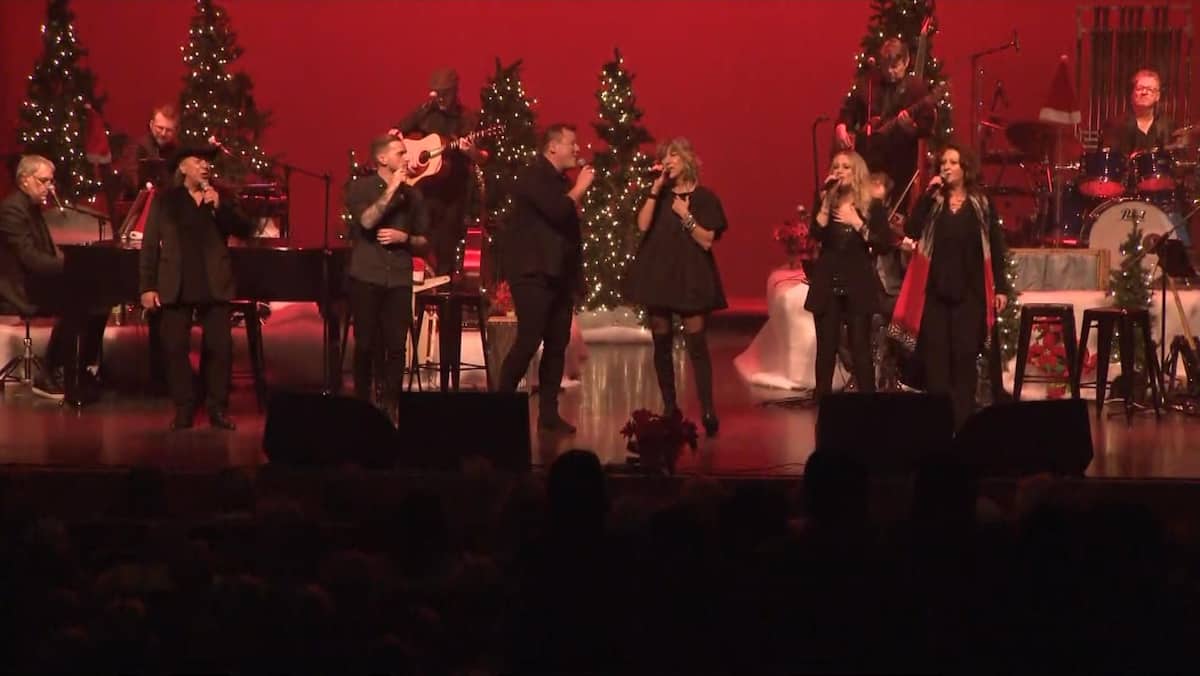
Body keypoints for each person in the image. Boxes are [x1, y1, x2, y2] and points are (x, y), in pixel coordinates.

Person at [890, 143, 1010, 429]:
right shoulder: (933, 201)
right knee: (937, 364)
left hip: (970, 294)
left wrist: (1002, 287)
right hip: (935, 294)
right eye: (942, 162)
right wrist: (927, 197)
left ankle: (964, 425)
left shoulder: (981, 203)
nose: (945, 167)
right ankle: (939, 426)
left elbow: (996, 244)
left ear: (965, 168)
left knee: (965, 359)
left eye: (952, 162)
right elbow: (911, 230)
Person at [139, 144, 253, 430]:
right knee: (174, 346)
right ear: (182, 167)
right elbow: (150, 245)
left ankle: (216, 408)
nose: (205, 166)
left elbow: (245, 229)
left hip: (213, 282)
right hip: (176, 283)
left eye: (208, 162)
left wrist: (219, 207)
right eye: (198, 161)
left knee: (219, 347)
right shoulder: (167, 200)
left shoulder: (221, 198)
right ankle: (184, 406)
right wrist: (147, 286)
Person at [624, 138, 727, 437]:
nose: (668, 161)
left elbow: (707, 240)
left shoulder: (706, 198)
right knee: (662, 344)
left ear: (688, 160)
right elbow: (642, 226)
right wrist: (655, 191)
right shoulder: (660, 195)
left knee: (697, 346)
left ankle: (708, 409)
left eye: (674, 156)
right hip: (658, 276)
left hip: (691, 277)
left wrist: (686, 216)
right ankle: (670, 406)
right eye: (664, 156)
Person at [497, 123, 594, 434]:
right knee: (529, 340)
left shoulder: (557, 180)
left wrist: (576, 278)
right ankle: (499, 406)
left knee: (557, 344)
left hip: (558, 274)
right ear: (553, 147)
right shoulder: (533, 176)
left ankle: (548, 414)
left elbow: (565, 229)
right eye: (572, 143)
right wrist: (580, 188)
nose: (577, 149)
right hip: (533, 272)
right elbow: (556, 211)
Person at [0, 155, 107, 400]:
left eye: (51, 181)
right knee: (78, 299)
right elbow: (30, 259)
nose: (49, 187)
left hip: (35, 280)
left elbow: (44, 255)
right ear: (25, 180)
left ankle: (79, 367)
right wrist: (69, 266)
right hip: (19, 287)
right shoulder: (12, 210)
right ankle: (52, 371)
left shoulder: (30, 207)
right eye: (43, 181)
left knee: (98, 296)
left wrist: (70, 264)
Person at [343, 134, 430, 406]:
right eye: (400, 153)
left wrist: (404, 238)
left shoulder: (414, 195)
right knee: (366, 344)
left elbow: (425, 241)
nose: (407, 158)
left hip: (399, 279)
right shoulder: (360, 188)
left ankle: (392, 405)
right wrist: (391, 189)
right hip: (367, 275)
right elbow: (367, 222)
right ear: (382, 159)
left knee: (396, 346)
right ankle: (361, 403)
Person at [806, 150, 892, 401]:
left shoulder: (871, 204)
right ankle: (822, 405)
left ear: (856, 173)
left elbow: (884, 243)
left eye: (845, 167)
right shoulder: (825, 199)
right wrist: (824, 203)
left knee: (860, 347)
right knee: (826, 348)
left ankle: (867, 405)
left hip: (856, 277)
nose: (839, 171)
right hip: (828, 276)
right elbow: (817, 235)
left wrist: (857, 222)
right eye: (836, 166)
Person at [393, 67, 480, 276]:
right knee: (419, 243)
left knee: (445, 248)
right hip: (424, 191)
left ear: (455, 91)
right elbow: (397, 132)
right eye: (437, 92)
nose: (440, 97)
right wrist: (408, 156)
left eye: (445, 93)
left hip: (452, 194)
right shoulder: (425, 111)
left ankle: (443, 296)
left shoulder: (466, 118)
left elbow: (479, 156)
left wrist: (471, 152)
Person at [835, 38, 936, 213]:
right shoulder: (870, 84)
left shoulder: (916, 89)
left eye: (895, 67)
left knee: (893, 215)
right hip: (869, 160)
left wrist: (911, 127)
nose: (889, 72)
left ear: (906, 62)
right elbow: (850, 108)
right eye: (885, 67)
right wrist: (842, 126)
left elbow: (927, 126)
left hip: (899, 163)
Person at [1100, 68, 1175, 158]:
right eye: (1140, 88)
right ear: (1132, 93)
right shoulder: (1114, 125)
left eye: (1150, 89)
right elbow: (1107, 160)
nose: (1144, 92)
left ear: (1157, 96)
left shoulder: (1168, 125)